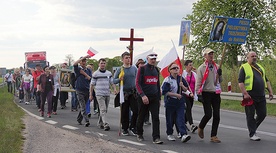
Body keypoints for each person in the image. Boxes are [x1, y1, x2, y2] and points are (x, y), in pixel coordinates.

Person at [238, 51, 273, 141]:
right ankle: (252, 133)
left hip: (261, 95)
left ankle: (253, 128)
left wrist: (270, 91)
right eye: (252, 56)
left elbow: (266, 80)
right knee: (250, 114)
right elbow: (240, 82)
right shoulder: (244, 67)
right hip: (250, 96)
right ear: (247, 58)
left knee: (262, 114)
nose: (254, 57)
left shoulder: (260, 67)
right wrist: (245, 93)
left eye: (255, 56)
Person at [195, 48, 223, 143]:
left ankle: (213, 135)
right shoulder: (201, 68)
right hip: (206, 92)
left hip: (215, 92)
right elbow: (198, 82)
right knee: (208, 114)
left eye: (212, 54)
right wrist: (198, 94)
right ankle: (201, 127)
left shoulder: (217, 66)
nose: (211, 56)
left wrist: (220, 74)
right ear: (205, 56)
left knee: (217, 115)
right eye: (209, 54)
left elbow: (220, 81)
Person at [135, 53, 163, 144]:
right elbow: (137, 83)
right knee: (141, 116)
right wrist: (142, 95)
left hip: (154, 97)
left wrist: (159, 98)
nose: (153, 60)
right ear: (147, 59)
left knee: (155, 117)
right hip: (144, 97)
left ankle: (156, 137)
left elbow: (157, 84)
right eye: (152, 59)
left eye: (155, 59)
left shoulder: (156, 70)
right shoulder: (142, 69)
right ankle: (139, 133)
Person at [161, 62, 192, 143]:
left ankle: (183, 134)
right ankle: (170, 133)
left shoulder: (181, 78)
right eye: (174, 68)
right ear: (170, 70)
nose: (176, 70)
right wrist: (175, 94)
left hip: (180, 102)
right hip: (170, 101)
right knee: (170, 119)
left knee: (180, 118)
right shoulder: (168, 80)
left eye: (177, 68)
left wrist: (182, 86)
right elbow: (164, 92)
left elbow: (186, 89)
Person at [114, 52, 138, 136]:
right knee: (124, 111)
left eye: (129, 58)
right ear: (122, 59)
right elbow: (113, 80)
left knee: (136, 110)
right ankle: (125, 128)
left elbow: (137, 78)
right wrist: (119, 79)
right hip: (124, 93)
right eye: (126, 58)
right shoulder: (120, 69)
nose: (128, 59)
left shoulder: (134, 68)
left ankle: (133, 126)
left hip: (133, 92)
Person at [90, 58, 117, 131]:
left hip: (107, 93)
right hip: (99, 94)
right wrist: (91, 95)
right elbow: (92, 85)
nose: (103, 64)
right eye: (101, 63)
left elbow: (112, 82)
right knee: (103, 109)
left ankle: (100, 123)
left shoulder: (109, 73)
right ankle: (106, 124)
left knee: (105, 110)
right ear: (99, 64)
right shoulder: (95, 74)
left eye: (104, 63)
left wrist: (114, 89)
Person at [74, 55, 92, 127]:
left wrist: (86, 75)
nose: (83, 62)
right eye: (82, 61)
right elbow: (74, 64)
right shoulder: (78, 69)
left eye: (84, 61)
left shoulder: (88, 70)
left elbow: (90, 78)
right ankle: (86, 120)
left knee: (83, 106)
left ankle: (79, 119)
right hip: (79, 89)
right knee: (82, 105)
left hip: (87, 89)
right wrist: (83, 57)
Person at [182, 60, 198, 133]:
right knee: (188, 108)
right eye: (190, 65)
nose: (191, 67)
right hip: (185, 93)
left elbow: (199, 81)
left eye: (192, 65)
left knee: (188, 109)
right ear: (186, 66)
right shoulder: (183, 73)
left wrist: (197, 72)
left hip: (192, 94)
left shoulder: (194, 74)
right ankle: (192, 125)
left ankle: (183, 122)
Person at [136, 59, 151, 126]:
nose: (142, 65)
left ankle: (146, 119)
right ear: (138, 65)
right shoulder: (136, 71)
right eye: (140, 63)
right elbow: (136, 83)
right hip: (138, 92)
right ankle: (139, 122)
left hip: (146, 91)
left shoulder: (146, 71)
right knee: (140, 108)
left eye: (143, 63)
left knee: (147, 107)